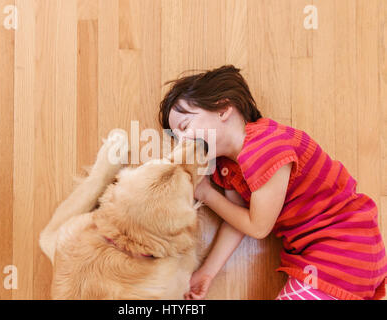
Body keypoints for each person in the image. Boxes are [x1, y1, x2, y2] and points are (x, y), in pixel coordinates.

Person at [158, 65, 387, 300]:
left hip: (342, 251)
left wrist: (206, 194)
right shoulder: (228, 167)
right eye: (176, 138)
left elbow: (257, 227)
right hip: (331, 257)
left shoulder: (265, 147)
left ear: (223, 108)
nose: (182, 141)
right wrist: (207, 272)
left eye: (185, 127)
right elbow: (238, 219)